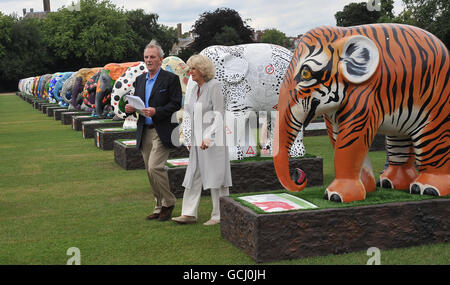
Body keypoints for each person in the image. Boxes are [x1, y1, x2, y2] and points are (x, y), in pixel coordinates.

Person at [125, 40, 182, 221]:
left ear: (160, 59)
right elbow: (138, 102)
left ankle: (169, 202)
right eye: (146, 57)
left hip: (162, 130)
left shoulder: (170, 79)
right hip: (144, 130)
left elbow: (175, 104)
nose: (148, 60)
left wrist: (157, 111)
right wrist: (131, 108)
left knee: (155, 167)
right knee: (150, 172)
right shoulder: (140, 79)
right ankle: (158, 206)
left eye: (152, 57)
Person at [172, 54, 232, 226]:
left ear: (203, 70)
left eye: (193, 69)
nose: (190, 72)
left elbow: (219, 114)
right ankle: (189, 213)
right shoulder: (192, 89)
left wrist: (208, 136)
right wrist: (188, 136)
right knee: (193, 175)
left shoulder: (215, 86)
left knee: (217, 176)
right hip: (197, 141)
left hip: (213, 140)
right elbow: (189, 114)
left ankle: (220, 215)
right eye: (190, 68)